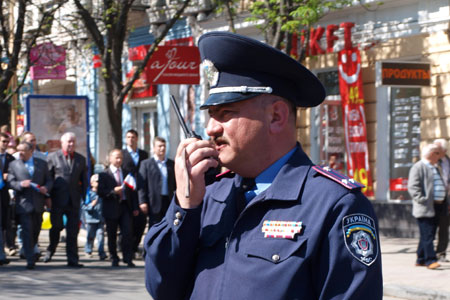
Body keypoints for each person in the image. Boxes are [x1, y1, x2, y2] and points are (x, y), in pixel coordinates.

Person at [144, 31, 382, 299]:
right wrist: (185, 207)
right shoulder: (209, 194)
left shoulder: (333, 204)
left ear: (276, 116)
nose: (210, 128)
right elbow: (161, 288)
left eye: (226, 113)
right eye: (211, 115)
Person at [44, 132, 87, 267]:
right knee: (56, 227)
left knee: (73, 231)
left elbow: (83, 180)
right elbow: (48, 178)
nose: (71, 144)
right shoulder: (52, 157)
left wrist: (84, 197)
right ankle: (51, 249)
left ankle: (73, 259)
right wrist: (48, 197)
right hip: (57, 199)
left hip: (74, 200)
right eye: (68, 141)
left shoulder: (81, 159)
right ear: (62, 143)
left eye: (73, 141)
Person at [7, 142, 52, 269]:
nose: (20, 153)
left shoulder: (41, 164)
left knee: (35, 230)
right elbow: (10, 182)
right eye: (18, 150)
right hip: (23, 203)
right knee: (27, 230)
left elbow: (49, 180)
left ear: (30, 151)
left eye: (23, 150)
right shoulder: (14, 165)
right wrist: (21, 185)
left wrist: (46, 188)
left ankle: (30, 249)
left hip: (38, 203)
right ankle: (30, 259)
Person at [408, 143, 445, 270]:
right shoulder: (418, 167)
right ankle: (431, 260)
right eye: (437, 153)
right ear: (430, 154)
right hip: (425, 207)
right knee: (428, 234)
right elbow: (413, 187)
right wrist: (423, 200)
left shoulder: (435, 166)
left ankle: (421, 258)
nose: (439, 156)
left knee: (428, 234)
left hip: (437, 206)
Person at [98, 149, 138, 267]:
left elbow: (133, 192)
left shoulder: (126, 173)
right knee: (112, 234)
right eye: (116, 157)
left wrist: (135, 207)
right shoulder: (104, 174)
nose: (119, 160)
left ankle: (128, 257)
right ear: (110, 158)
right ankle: (114, 257)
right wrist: (113, 192)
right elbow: (101, 191)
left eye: (121, 157)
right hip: (111, 207)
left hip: (125, 206)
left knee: (127, 232)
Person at [121, 129, 148, 258]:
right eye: (128, 137)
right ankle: (127, 249)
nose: (131, 139)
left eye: (133, 137)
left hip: (141, 191)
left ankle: (134, 245)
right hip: (127, 193)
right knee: (127, 223)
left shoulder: (143, 154)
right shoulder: (122, 154)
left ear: (137, 139)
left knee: (141, 222)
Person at [138, 136, 176, 226]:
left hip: (168, 201)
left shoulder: (171, 164)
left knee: (168, 226)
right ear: (154, 148)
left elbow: (175, 184)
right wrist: (142, 201)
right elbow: (141, 184)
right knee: (154, 227)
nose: (162, 148)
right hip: (153, 202)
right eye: (159, 146)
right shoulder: (146, 164)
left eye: (164, 146)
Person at [82, 174, 107, 260]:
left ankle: (101, 252)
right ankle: (88, 250)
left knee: (101, 236)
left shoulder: (102, 193)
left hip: (100, 219)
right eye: (96, 182)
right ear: (91, 183)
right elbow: (84, 206)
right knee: (90, 236)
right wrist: (91, 205)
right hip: (91, 219)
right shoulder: (88, 194)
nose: (98, 183)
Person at [433, 139, 449, 262]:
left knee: (444, 227)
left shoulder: (448, 161)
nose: (435, 151)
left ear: (444, 150)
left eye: (437, 149)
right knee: (430, 228)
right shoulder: (431, 162)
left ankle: (441, 252)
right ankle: (427, 253)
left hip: (446, 199)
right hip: (433, 200)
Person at [0, 133, 16, 256]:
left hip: (6, 195)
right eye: (3, 141)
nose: (6, 144)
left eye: (7, 142)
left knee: (6, 222)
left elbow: (16, 175)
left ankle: (7, 246)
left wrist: (8, 177)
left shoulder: (11, 159)